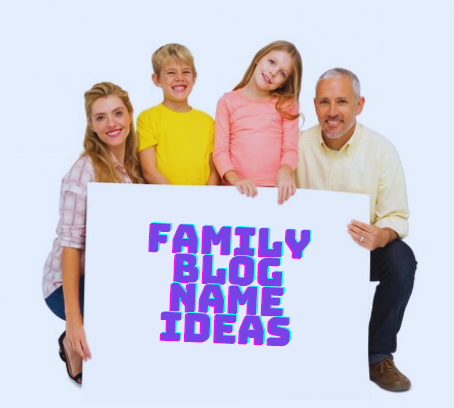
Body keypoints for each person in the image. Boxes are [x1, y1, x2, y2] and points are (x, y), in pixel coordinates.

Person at [295, 68, 417, 392]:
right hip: (302, 253)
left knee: (402, 259)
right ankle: (286, 349)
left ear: (359, 105)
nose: (332, 112)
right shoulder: (296, 146)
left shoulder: (382, 151)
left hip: (360, 250)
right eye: (324, 102)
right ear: (314, 105)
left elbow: (396, 216)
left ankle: (378, 356)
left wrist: (383, 234)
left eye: (342, 101)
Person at [43, 82, 144, 384]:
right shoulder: (82, 174)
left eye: (117, 113)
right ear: (91, 124)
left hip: (111, 273)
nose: (111, 124)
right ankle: (69, 341)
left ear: (129, 115)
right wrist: (75, 323)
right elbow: (71, 248)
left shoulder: (139, 162)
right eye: (101, 117)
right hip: (68, 282)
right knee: (125, 322)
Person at [213, 40, 302, 205]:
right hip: (234, 192)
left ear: (284, 82)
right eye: (271, 62)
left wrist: (284, 172)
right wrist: (235, 180)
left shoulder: (287, 105)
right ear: (258, 58)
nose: (273, 72)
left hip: (274, 195)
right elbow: (220, 151)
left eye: (282, 73)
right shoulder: (227, 102)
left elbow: (290, 149)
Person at [137, 43, 220, 186]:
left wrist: (207, 197)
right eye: (171, 72)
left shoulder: (207, 121)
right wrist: (176, 198)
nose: (179, 78)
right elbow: (149, 170)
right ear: (156, 79)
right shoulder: (147, 118)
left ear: (194, 77)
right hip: (165, 201)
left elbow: (214, 170)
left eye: (186, 72)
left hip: (203, 202)